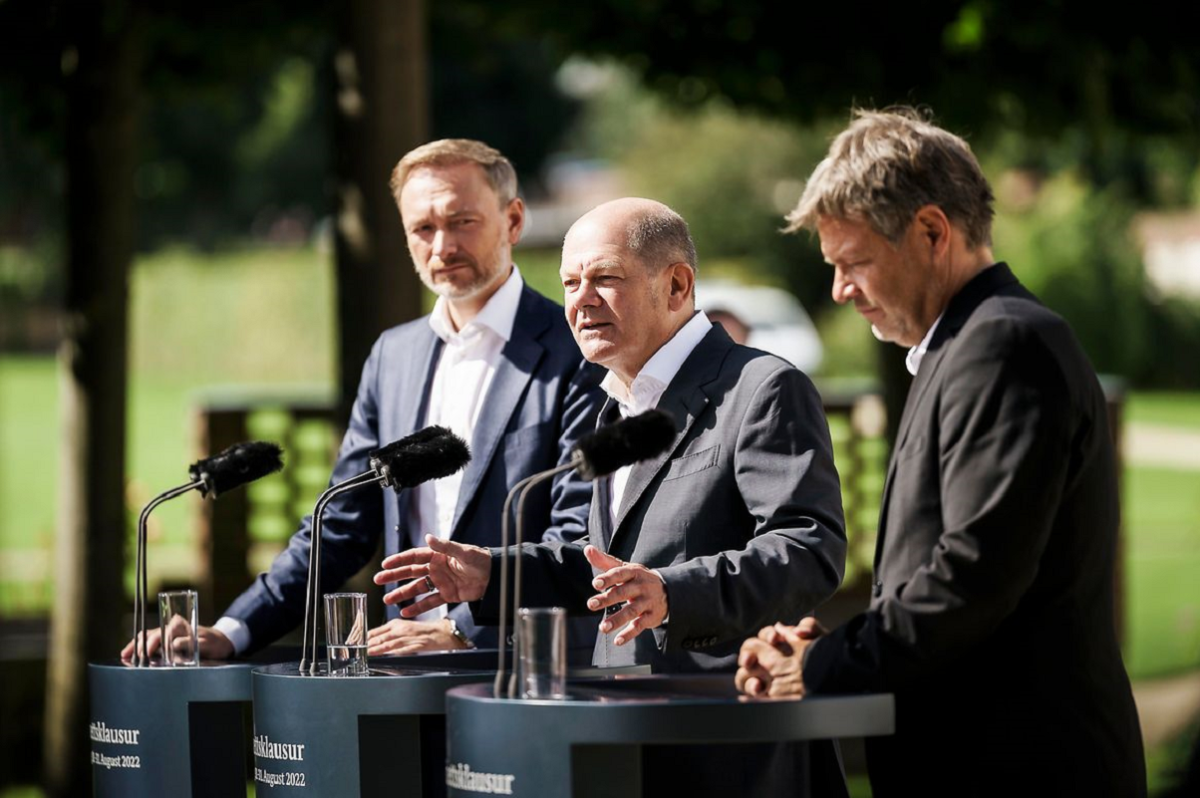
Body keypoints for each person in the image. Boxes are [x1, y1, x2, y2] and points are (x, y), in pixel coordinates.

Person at [735, 108, 1146, 796]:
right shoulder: (967, 346)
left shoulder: (1003, 345)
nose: (840, 291)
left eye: (854, 262)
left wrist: (822, 665)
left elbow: (972, 575)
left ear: (931, 231)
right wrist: (817, 647)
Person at [122, 139, 603, 661]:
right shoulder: (393, 356)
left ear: (513, 221)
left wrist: (462, 630)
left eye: (462, 222)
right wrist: (233, 629)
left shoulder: (578, 350)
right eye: (423, 229)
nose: (441, 246)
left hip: (530, 672)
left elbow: (578, 533)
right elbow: (339, 525)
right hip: (398, 673)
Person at [374, 196, 846, 674]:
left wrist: (672, 592)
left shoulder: (760, 387)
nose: (580, 300)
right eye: (570, 283)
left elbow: (808, 550)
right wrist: (493, 574)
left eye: (605, 278)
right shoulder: (617, 405)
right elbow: (604, 568)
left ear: (677, 286)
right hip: (619, 712)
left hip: (721, 715)